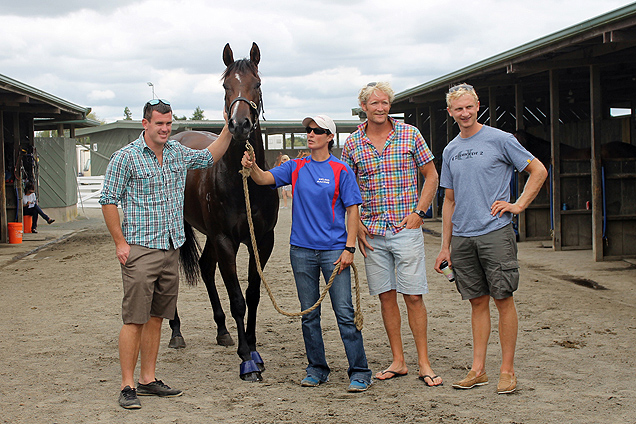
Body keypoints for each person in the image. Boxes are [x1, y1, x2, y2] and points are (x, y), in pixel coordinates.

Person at [99, 99, 232, 409]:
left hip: (171, 247)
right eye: (159, 123)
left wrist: (227, 127)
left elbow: (208, 155)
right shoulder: (126, 158)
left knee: (158, 317)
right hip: (141, 249)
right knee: (134, 319)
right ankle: (127, 385)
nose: (165, 129)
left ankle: (148, 378)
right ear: (145, 124)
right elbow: (108, 200)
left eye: (169, 124)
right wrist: (120, 242)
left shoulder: (176, 153)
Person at [241, 114, 373, 393]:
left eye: (317, 130)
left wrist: (350, 248)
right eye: (308, 130)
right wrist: (251, 167)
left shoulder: (341, 171)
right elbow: (264, 178)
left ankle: (360, 371)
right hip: (301, 251)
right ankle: (317, 368)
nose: (310, 133)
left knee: (345, 312)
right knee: (309, 315)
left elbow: (352, 211)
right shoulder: (295, 167)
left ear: (329, 137)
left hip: (334, 252)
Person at [434, 83, 547, 394]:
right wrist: (445, 245)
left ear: (478, 105)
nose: (465, 113)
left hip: (495, 232)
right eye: (459, 109)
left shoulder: (500, 140)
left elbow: (538, 170)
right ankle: (478, 369)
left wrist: (519, 205)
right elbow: (449, 200)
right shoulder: (451, 150)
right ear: (451, 112)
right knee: (476, 302)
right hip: (463, 238)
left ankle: (507, 370)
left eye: (469, 107)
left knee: (503, 299)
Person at [341, 82, 442, 386]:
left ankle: (424, 362)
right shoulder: (353, 143)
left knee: (413, 295)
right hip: (372, 231)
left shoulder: (410, 134)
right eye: (375, 103)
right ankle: (399, 360)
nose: (381, 108)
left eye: (385, 102)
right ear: (364, 107)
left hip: (405, 228)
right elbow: (347, 189)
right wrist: (355, 225)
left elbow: (431, 175)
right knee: (386, 297)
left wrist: (419, 212)